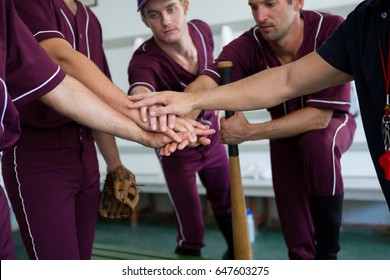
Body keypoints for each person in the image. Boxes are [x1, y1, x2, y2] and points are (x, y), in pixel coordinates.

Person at [129, 0, 390, 249]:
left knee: (317, 144)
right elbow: (211, 80)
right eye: (253, 7)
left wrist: (250, 132)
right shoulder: (249, 42)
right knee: (295, 233)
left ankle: (327, 252)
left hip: (328, 124)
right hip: (281, 134)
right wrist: (185, 118)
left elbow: (318, 118)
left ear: (296, 3)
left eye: (270, 4)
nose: (260, 16)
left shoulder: (330, 27)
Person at [1, 0, 213, 260]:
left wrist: (115, 165)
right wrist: (147, 120)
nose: (166, 20)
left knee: (83, 259)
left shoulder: (90, 19)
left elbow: (96, 96)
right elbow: (61, 61)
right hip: (40, 156)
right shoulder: (30, 4)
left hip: (86, 152)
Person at [127, 0, 234, 259]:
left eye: (171, 8)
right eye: (154, 14)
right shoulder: (144, 60)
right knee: (191, 226)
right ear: (144, 20)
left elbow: (215, 77)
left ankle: (236, 254)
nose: (165, 20)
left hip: (213, 138)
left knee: (228, 203)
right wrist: (142, 101)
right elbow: (139, 95)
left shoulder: (202, 31)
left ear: (185, 5)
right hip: (176, 147)